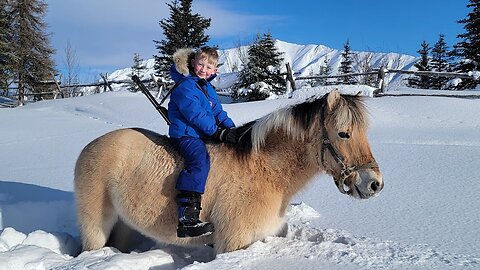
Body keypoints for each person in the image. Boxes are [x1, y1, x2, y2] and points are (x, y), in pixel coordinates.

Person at [168, 46, 237, 238]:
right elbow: (195, 114)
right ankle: (187, 217)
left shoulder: (206, 88)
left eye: (209, 67)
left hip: (202, 134)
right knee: (199, 161)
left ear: (215, 71)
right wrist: (217, 132)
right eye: (201, 64)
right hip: (186, 135)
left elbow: (217, 112)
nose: (203, 69)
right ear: (192, 63)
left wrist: (232, 129)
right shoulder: (185, 86)